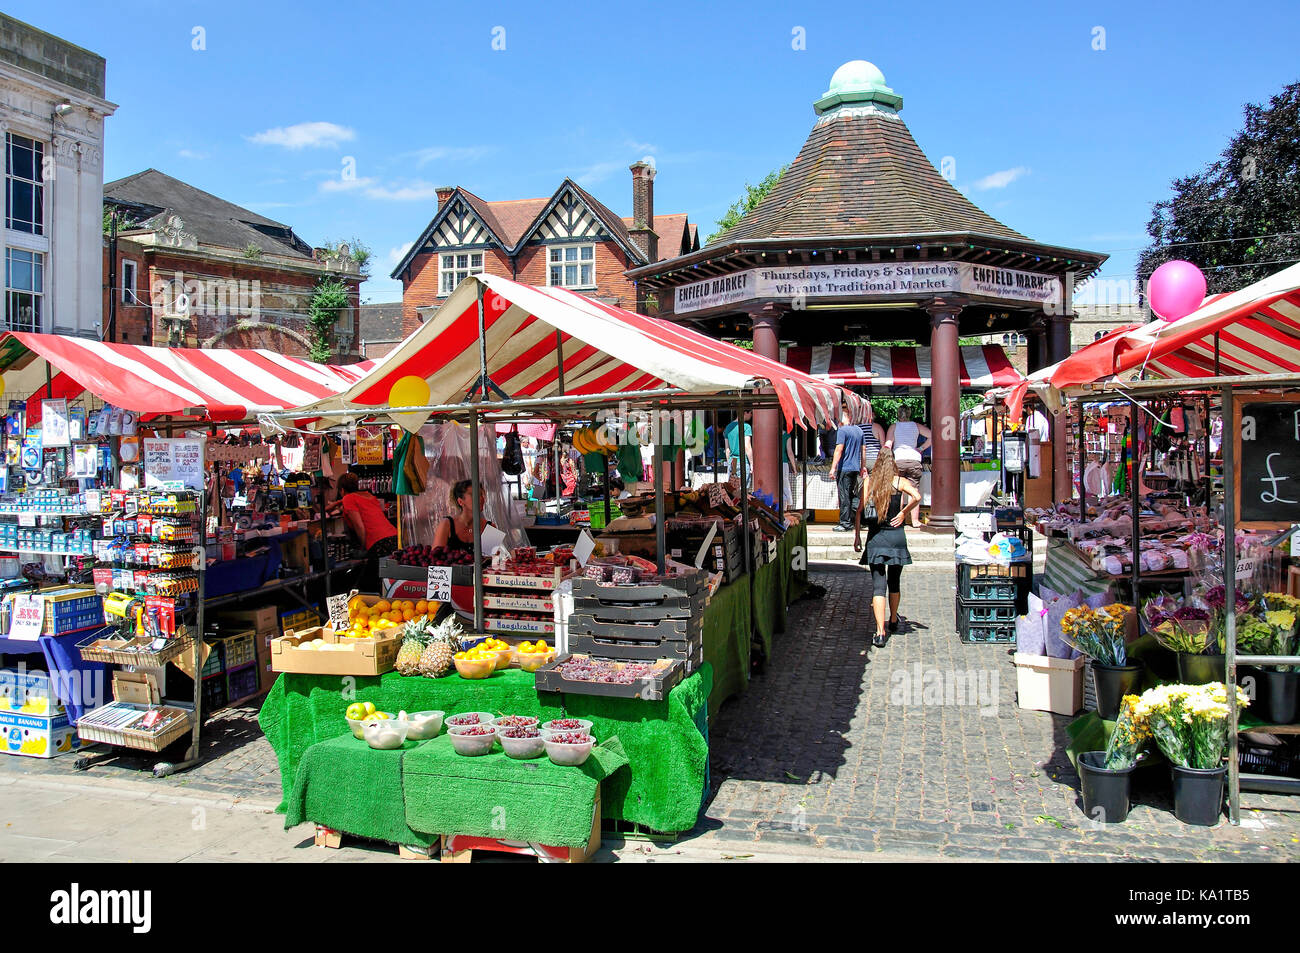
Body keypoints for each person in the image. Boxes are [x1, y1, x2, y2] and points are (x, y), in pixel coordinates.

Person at [854, 448, 921, 647]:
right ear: (893, 463)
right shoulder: (900, 482)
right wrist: (903, 513)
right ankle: (892, 620)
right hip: (896, 537)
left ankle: (880, 632)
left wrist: (857, 536)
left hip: (876, 538)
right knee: (895, 581)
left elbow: (859, 511)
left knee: (878, 585)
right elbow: (917, 496)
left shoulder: (869, 482)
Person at [333, 472, 398, 590]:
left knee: (373, 585)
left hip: (379, 544)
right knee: (389, 583)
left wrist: (362, 548)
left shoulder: (348, 499)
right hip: (394, 538)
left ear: (342, 490)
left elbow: (359, 526)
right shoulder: (369, 496)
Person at [886, 405, 931, 527]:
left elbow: (888, 443)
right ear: (909, 414)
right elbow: (932, 436)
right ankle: (915, 521)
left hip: (899, 459)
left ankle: (897, 519)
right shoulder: (916, 426)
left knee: (898, 489)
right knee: (914, 490)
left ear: (898, 414)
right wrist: (921, 448)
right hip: (914, 459)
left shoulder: (894, 427)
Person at [433, 479, 493, 554]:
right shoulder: (446, 525)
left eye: (481, 494)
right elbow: (435, 558)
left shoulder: (491, 527)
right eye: (473, 495)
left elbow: (490, 561)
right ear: (460, 501)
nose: (480, 498)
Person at [829, 406, 864, 532]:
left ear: (841, 420)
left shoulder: (842, 431)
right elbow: (863, 450)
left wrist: (833, 468)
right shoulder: (859, 431)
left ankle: (845, 523)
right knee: (851, 494)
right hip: (855, 467)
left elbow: (839, 449)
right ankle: (861, 517)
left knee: (844, 495)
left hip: (845, 467)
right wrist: (862, 466)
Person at [724, 411, 753, 488]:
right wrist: (752, 463)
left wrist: (729, 462)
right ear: (745, 413)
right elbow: (747, 446)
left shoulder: (728, 427)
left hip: (732, 461)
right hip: (743, 461)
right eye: (750, 412)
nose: (751, 415)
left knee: (733, 490)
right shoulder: (746, 427)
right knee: (743, 491)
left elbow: (727, 450)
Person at [862, 400, 886, 473]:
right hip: (875, 460)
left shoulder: (857, 427)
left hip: (861, 460)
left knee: (862, 483)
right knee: (875, 483)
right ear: (872, 414)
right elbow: (883, 446)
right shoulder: (877, 427)